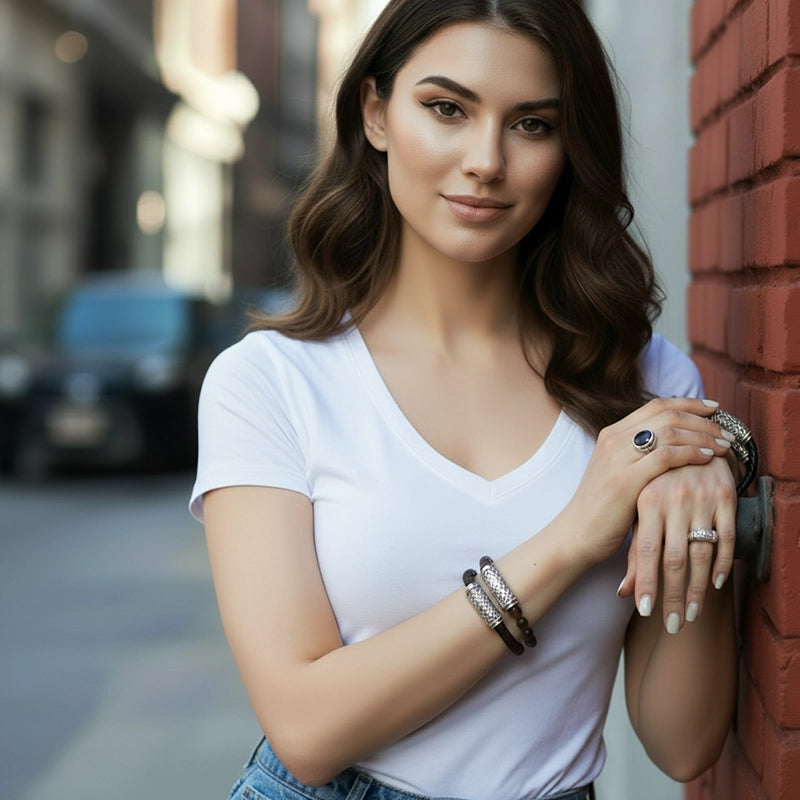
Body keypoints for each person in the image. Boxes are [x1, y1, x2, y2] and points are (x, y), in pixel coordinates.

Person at [190, 1, 752, 798]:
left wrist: (707, 497)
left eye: (531, 125)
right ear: (377, 112)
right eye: (447, 109)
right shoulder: (272, 384)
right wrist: (569, 541)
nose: (486, 160)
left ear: (569, 148)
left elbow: (683, 742)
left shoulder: (647, 391)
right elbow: (308, 732)